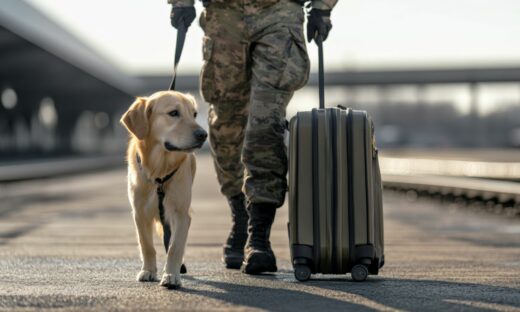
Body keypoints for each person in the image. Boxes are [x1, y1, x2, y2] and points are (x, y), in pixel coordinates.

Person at [168, 0, 336, 274]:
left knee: (264, 124)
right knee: (225, 127)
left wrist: (322, 8)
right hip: (224, 17)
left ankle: (258, 236)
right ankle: (240, 215)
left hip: (279, 14)